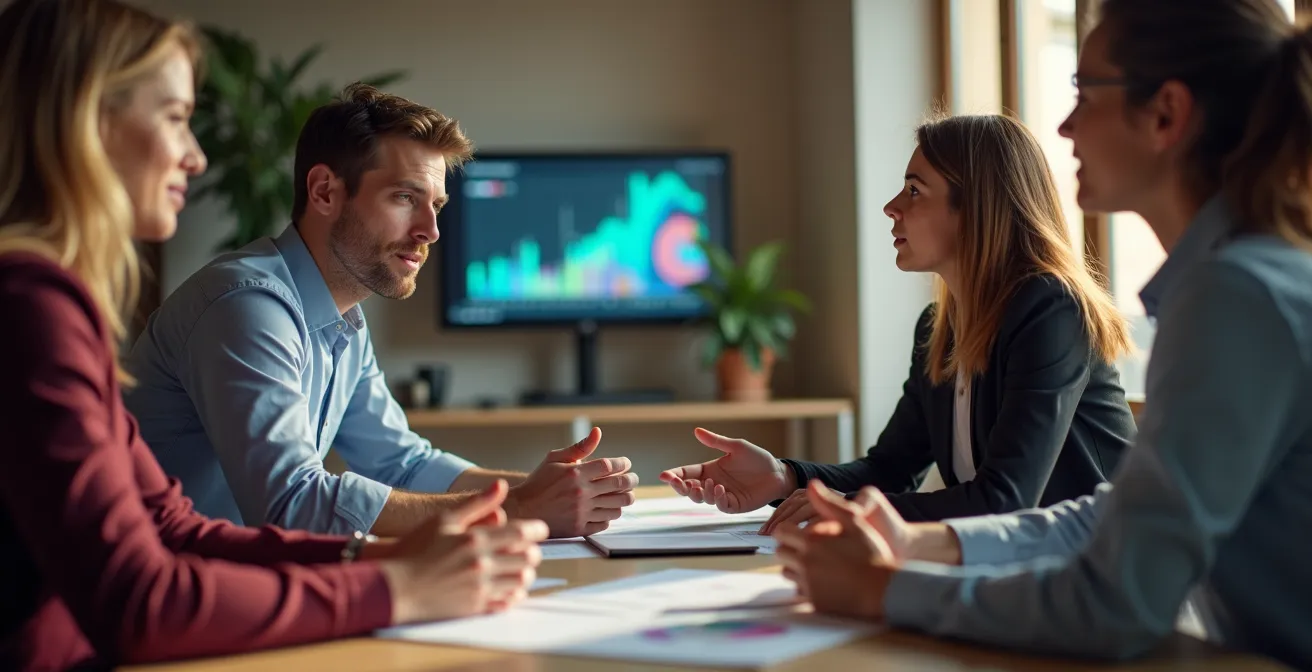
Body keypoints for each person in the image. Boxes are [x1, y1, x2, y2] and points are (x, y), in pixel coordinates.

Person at [0, 1, 547, 669]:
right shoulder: (32, 303)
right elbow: (141, 599)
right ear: (85, 124)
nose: (196, 156)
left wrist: (379, 558)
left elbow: (172, 526)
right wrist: (395, 584)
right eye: (175, 118)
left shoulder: (52, 299)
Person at [774, 0, 1312, 669]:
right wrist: (920, 546)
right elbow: (1112, 514)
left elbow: (1114, 603)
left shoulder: (1238, 296)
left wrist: (882, 588)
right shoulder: (1231, 284)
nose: (1064, 125)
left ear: (1167, 114)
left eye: (1085, 93)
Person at [122, 83, 639, 538]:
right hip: (163, 603)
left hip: (240, 584)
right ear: (325, 191)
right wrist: (522, 508)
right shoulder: (246, 306)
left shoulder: (341, 316)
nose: (430, 231)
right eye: (403, 197)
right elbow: (291, 504)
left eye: (434, 205)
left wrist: (545, 490)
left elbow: (402, 463)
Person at [662, 114, 1135, 530]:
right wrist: (783, 478)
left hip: (1090, 582)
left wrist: (844, 508)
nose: (892, 207)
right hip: (1003, 570)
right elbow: (889, 470)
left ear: (976, 209)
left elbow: (1007, 500)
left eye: (914, 190)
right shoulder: (938, 328)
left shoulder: (1051, 310)